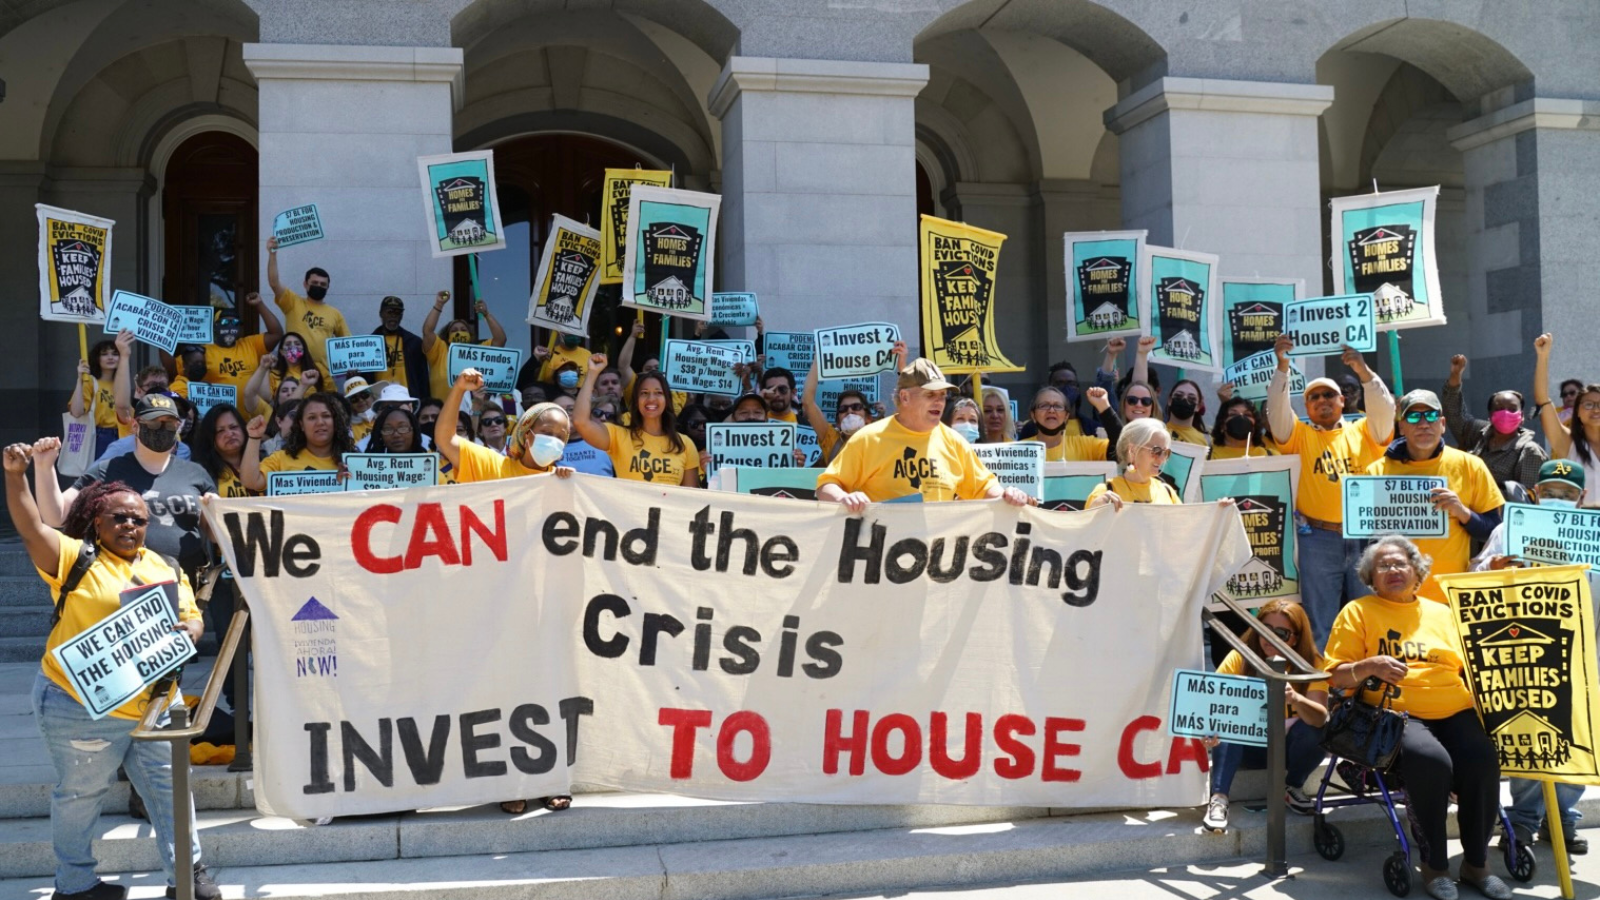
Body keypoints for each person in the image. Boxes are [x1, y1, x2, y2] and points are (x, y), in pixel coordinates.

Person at [4, 446, 219, 900]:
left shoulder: (165, 566)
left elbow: (191, 614)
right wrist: (15, 476)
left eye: (138, 520)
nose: (129, 526)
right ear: (97, 523)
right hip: (79, 707)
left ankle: (189, 876)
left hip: (157, 705)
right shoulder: (73, 558)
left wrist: (193, 627)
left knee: (172, 791)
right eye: (119, 518)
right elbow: (29, 526)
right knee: (81, 797)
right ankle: (76, 885)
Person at [1324, 536, 1510, 900]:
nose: (1393, 570)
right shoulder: (1358, 612)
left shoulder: (1442, 612)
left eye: (1400, 564)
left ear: (1417, 571)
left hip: (1456, 709)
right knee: (1430, 762)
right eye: (1383, 566)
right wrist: (1369, 665)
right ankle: (1435, 867)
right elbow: (1335, 676)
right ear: (1370, 577)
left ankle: (1475, 864)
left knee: (1483, 760)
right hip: (1395, 714)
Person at [1471, 459, 1593, 856]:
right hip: (1527, 652)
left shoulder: (1593, 535)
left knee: (1576, 739)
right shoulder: (1510, 530)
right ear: (1535, 493)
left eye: (1567, 494)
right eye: (1551, 492)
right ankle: (1523, 820)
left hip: (1585, 653)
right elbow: (1474, 577)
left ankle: (1563, 820)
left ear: (1583, 498)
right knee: (1531, 735)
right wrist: (1494, 566)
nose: (1558, 499)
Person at [1266, 334, 1396, 646]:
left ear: (1342, 401)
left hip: (1366, 537)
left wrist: (1364, 374)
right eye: (1314, 397)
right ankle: (1323, 690)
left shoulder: (1365, 431)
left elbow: (1385, 409)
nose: (1323, 400)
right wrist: (1282, 367)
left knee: (1370, 616)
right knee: (1319, 622)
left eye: (1329, 395)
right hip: (1318, 541)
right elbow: (1277, 411)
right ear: (1306, 406)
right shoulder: (1298, 436)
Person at [35, 394, 217, 582]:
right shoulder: (108, 470)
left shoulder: (196, 473)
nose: (162, 428)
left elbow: (214, 534)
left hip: (187, 586)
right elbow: (56, 515)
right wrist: (44, 468)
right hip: (126, 587)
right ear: (136, 426)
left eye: (169, 423)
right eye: (153, 422)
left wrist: (215, 513)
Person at [816, 358, 1031, 510]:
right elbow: (826, 487)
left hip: (938, 563)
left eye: (943, 395)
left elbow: (985, 489)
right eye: (931, 395)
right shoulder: (868, 438)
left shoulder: (954, 442)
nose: (939, 402)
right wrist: (845, 499)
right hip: (881, 563)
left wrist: (1007, 495)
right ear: (905, 397)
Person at [1364, 389, 1504, 604]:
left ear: (1443, 423)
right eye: (1413, 416)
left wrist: (1462, 512)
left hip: (1450, 596)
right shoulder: (1376, 473)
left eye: (1431, 416)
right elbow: (1363, 540)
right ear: (1401, 426)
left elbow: (1494, 532)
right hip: (1395, 598)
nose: (1423, 424)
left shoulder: (1470, 465)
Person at [1201, 599, 1328, 832]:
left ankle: (1292, 786)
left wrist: (1296, 699)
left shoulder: (1312, 663)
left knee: (1319, 729)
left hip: (1290, 750)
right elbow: (1211, 704)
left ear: (1297, 638)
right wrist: (1209, 732)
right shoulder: (1240, 657)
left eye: (1281, 633)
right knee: (1228, 723)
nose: (1271, 638)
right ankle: (1219, 798)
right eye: (1265, 630)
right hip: (1251, 747)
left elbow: (1320, 718)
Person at [573, 355, 699, 487]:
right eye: (644, 393)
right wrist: (593, 373)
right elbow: (580, 421)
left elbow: (690, 499)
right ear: (635, 400)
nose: (651, 399)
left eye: (658, 393)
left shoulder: (685, 444)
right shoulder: (618, 436)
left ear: (667, 399)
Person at [1442, 353, 1545, 497]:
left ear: (1521, 416)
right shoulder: (1478, 434)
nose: (1505, 413)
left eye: (1512, 409)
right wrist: (1455, 375)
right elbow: (1454, 413)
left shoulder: (1529, 451)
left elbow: (1525, 501)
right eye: (1499, 408)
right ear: (1490, 415)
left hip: (1498, 516)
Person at [266, 236, 349, 374]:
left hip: (323, 376)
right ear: (305, 284)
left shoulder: (335, 313)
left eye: (323, 284)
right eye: (315, 283)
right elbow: (274, 283)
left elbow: (347, 345)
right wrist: (272, 254)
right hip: (294, 373)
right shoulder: (292, 302)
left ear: (328, 287)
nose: (319, 286)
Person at [1533, 334, 1600, 507]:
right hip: (1580, 528)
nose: (1595, 409)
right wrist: (1543, 356)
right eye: (1588, 404)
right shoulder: (1569, 443)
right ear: (1576, 412)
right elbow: (1542, 399)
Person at [241, 392, 355, 491]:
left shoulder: (351, 462)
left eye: (326, 416)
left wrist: (347, 485)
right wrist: (254, 438)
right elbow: (251, 482)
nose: (320, 422)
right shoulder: (281, 459)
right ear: (301, 425)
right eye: (311, 418)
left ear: (335, 422)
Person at [423, 293, 509, 401]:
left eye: (463, 330)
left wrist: (486, 314)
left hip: (472, 412)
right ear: (447, 336)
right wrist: (439, 305)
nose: (459, 333)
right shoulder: (440, 350)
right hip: (443, 412)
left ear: (470, 335)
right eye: (454, 331)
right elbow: (427, 331)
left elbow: (500, 339)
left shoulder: (480, 351)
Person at [1086, 418, 1182, 508]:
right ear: (1132, 451)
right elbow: (1087, 525)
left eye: (1166, 453)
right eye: (1156, 451)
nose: (1161, 459)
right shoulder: (1105, 492)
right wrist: (1097, 507)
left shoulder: (1167, 492)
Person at [1029, 386, 1117, 461]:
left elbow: (1122, 448)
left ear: (1066, 416)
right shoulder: (1018, 450)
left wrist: (1104, 407)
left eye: (1058, 406)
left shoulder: (1085, 446)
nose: (1051, 410)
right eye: (1044, 405)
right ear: (1033, 415)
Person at [1209, 390, 1274, 459]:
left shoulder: (1272, 456)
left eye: (1247, 414)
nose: (1241, 417)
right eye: (1233, 414)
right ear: (1222, 425)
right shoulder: (1205, 458)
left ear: (1255, 425)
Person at [1164, 379, 1211, 448]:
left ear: (1198, 406)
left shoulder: (1206, 441)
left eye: (1191, 399)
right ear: (1169, 400)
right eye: (1179, 396)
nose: (1184, 399)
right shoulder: (1154, 431)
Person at [342, 377, 379, 445]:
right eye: (354, 398)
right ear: (350, 404)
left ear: (373, 396)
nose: (360, 400)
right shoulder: (348, 428)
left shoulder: (386, 418)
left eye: (364, 395)